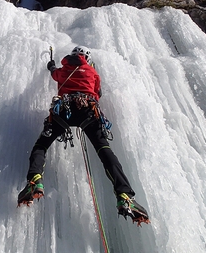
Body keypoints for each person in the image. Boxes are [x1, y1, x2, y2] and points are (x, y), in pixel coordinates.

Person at [17, 46, 150, 225]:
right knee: (105, 151)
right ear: (86, 58)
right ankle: (124, 195)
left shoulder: (64, 69)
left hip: (63, 112)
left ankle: (35, 179)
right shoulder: (92, 70)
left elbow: (54, 74)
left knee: (41, 145)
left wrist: (51, 66)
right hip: (88, 112)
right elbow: (98, 92)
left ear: (72, 55)